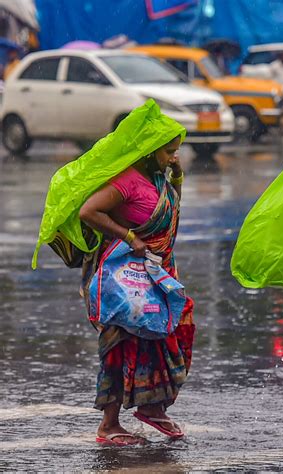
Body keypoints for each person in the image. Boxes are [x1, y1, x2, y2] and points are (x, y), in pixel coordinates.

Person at [79, 118, 195, 446]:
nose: (174, 157)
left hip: (159, 274)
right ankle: (109, 424)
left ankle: (153, 407)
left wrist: (178, 178)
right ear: (149, 150)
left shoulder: (160, 177)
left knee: (172, 333)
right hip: (127, 281)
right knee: (121, 345)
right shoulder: (127, 181)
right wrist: (130, 237)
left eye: (177, 151)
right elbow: (89, 212)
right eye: (169, 152)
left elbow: (170, 211)